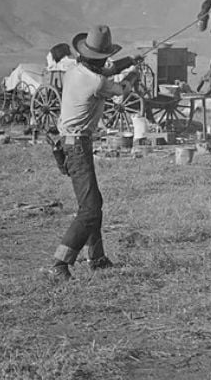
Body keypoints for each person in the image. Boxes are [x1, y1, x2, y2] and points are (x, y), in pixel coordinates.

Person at [45, 25, 141, 281]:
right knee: (90, 209)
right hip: (77, 146)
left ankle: (97, 259)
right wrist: (133, 75)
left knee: (93, 204)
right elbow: (121, 92)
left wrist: (128, 62)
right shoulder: (97, 82)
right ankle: (60, 262)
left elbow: (107, 70)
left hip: (69, 144)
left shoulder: (76, 71)